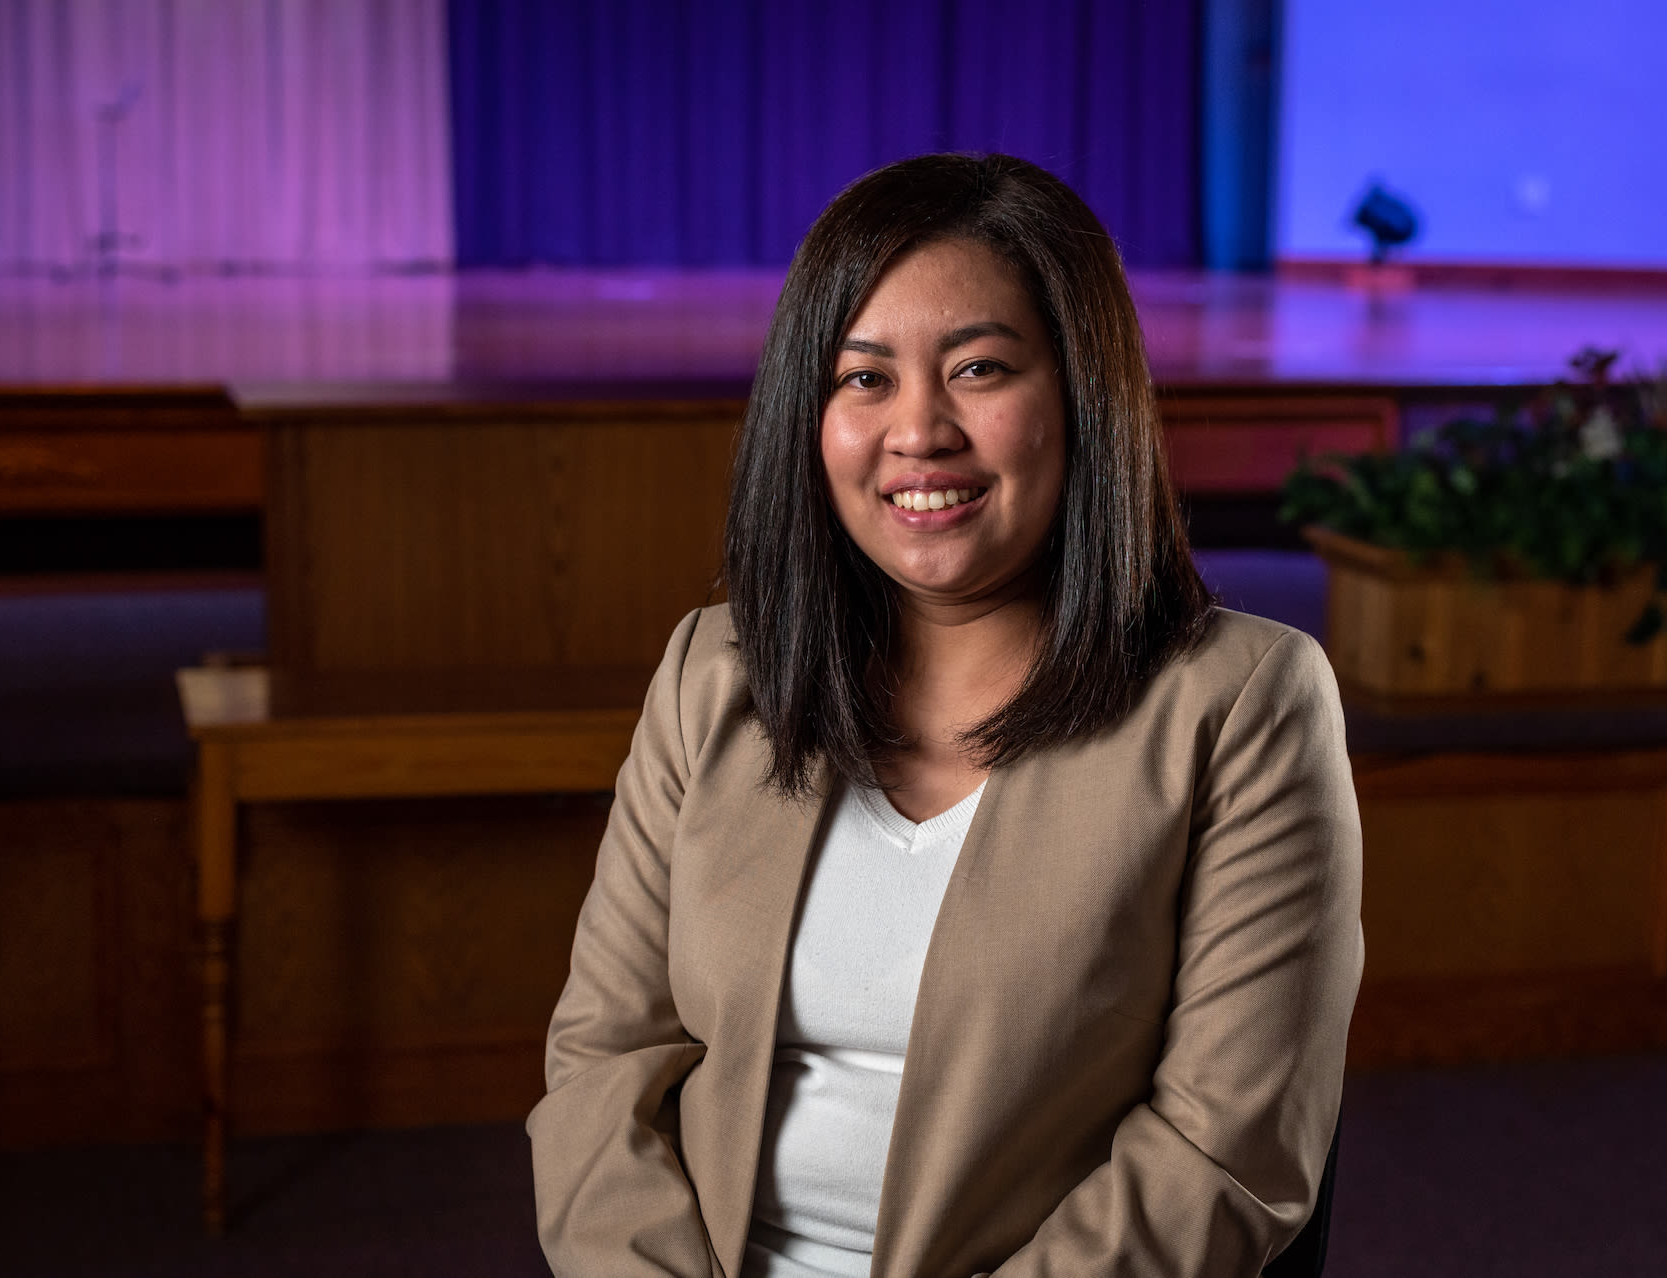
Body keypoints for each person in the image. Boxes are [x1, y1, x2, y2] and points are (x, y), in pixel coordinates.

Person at [527, 153, 1363, 1278]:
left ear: (1083, 393)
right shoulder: (712, 675)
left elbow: (1222, 1158)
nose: (918, 430)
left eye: (978, 369)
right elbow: (603, 1063)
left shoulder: (1241, 706)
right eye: (863, 378)